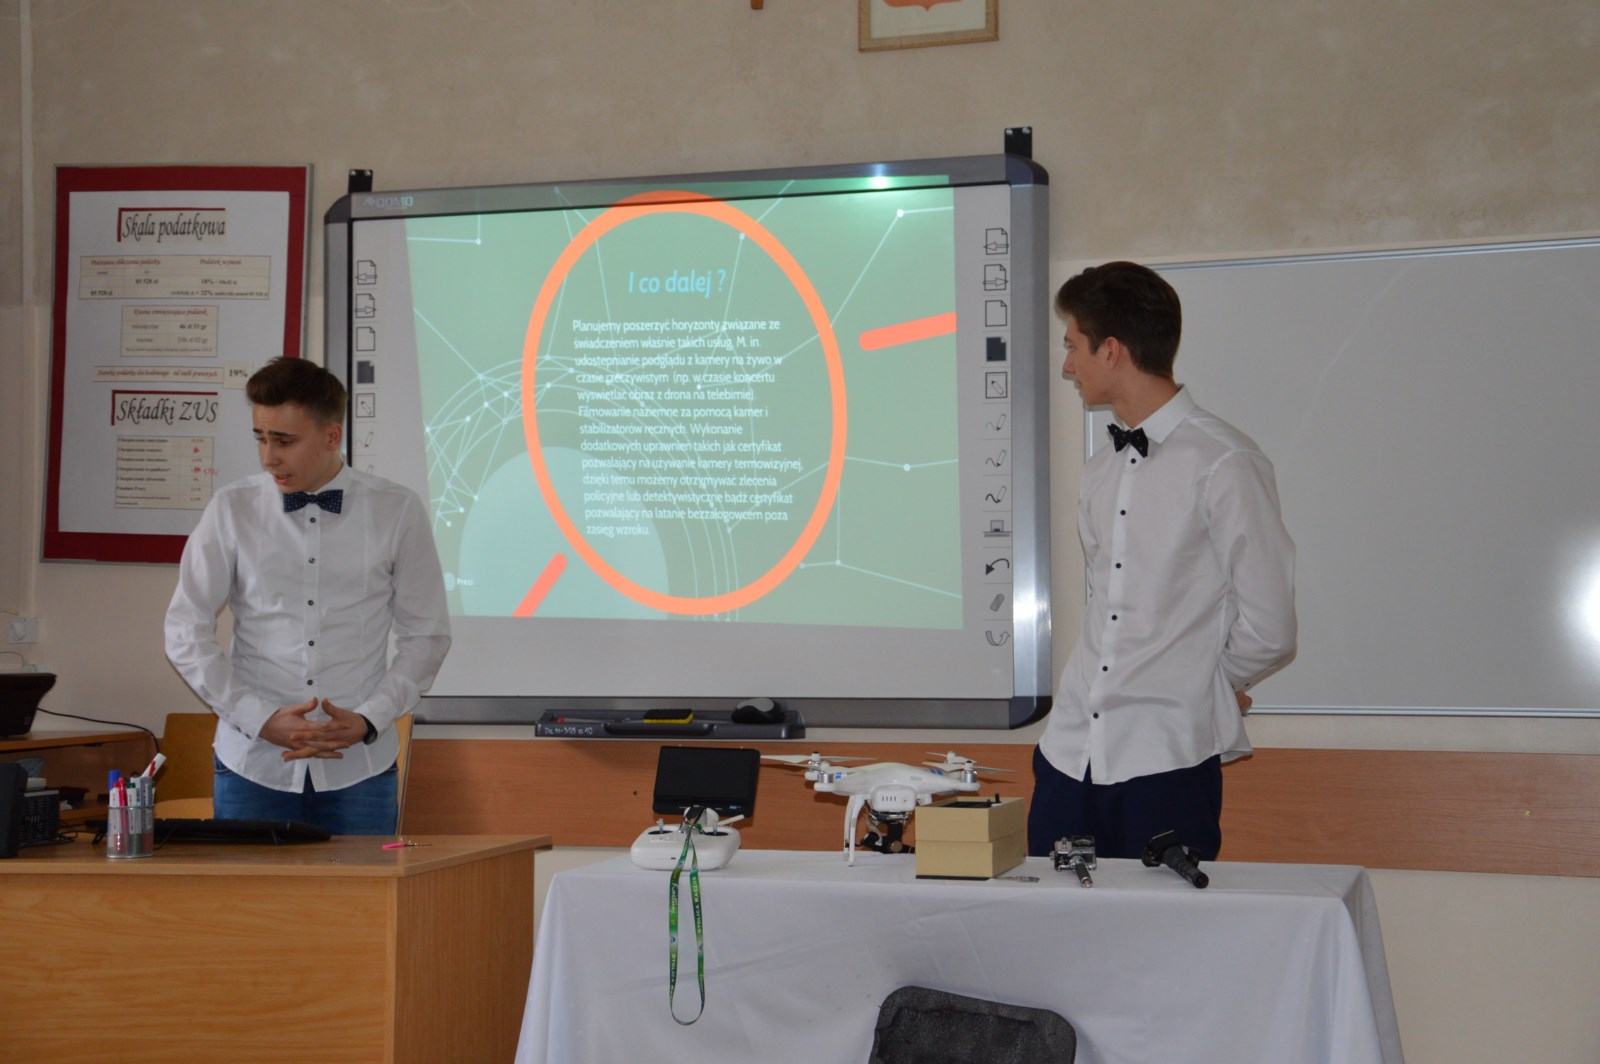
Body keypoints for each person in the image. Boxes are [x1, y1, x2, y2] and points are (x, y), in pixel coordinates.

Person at [1029, 262, 1296, 861]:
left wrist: (1206, 682)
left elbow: (1272, 625)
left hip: (1166, 763)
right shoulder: (1099, 470)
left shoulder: (1224, 462)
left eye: (1072, 346)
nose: (1068, 365)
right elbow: (1106, 604)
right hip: (1069, 754)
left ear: (1111, 351)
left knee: (1163, 923)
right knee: (1047, 918)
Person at [165, 357, 450, 835]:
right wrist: (259, 719)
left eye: (284, 441)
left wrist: (370, 719)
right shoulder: (232, 508)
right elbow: (183, 631)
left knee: (363, 888)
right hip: (253, 762)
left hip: (359, 768)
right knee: (250, 889)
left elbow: (427, 635)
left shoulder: (396, 510)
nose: (268, 457)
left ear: (331, 436)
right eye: (261, 438)